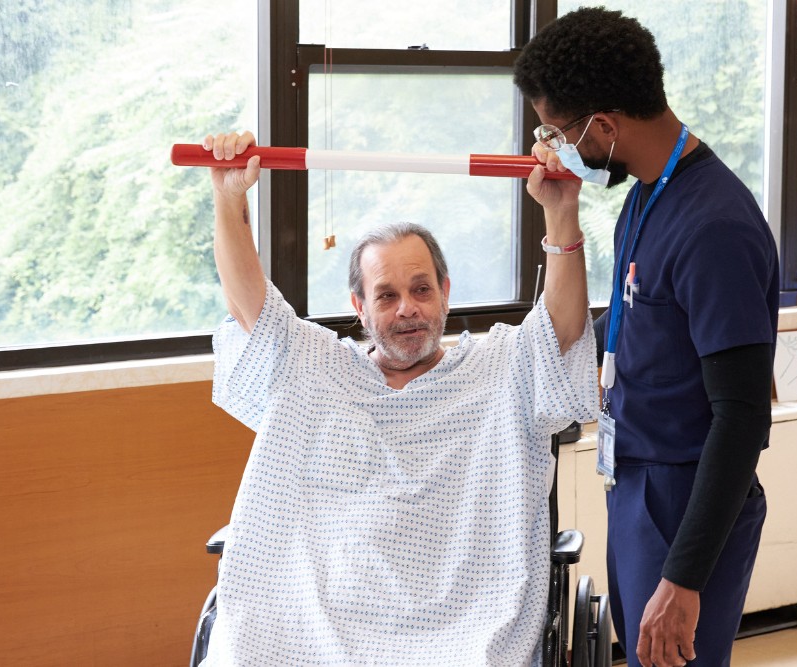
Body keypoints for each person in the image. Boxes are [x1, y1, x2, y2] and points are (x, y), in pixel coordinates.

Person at [198, 130, 598, 666]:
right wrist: (229, 198)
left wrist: (561, 211)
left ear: (446, 293)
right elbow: (251, 306)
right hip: (317, 620)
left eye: (421, 289)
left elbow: (564, 330)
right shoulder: (315, 366)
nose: (408, 308)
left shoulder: (502, 366)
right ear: (359, 308)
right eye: (387, 295)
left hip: (459, 622)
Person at [513, 7, 779, 667]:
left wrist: (685, 577)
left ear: (603, 124)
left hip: (687, 497)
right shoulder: (645, 197)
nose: (555, 144)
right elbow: (633, 331)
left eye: (558, 129)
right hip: (636, 483)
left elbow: (743, 417)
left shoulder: (714, 227)